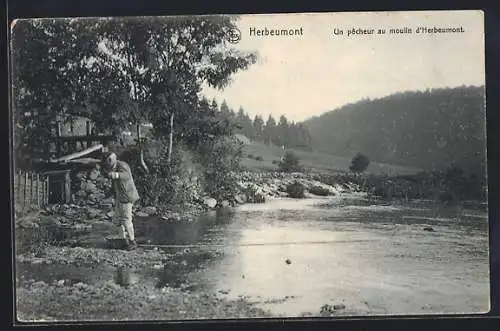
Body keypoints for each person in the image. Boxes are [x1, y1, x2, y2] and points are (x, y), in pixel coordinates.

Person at [102, 151, 140, 250]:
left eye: (109, 160)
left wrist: (115, 175)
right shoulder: (113, 167)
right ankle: (123, 240)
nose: (108, 163)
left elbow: (127, 176)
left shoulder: (122, 165)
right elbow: (115, 185)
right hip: (119, 198)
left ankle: (132, 241)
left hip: (127, 196)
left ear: (113, 159)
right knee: (117, 220)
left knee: (126, 220)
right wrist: (107, 194)